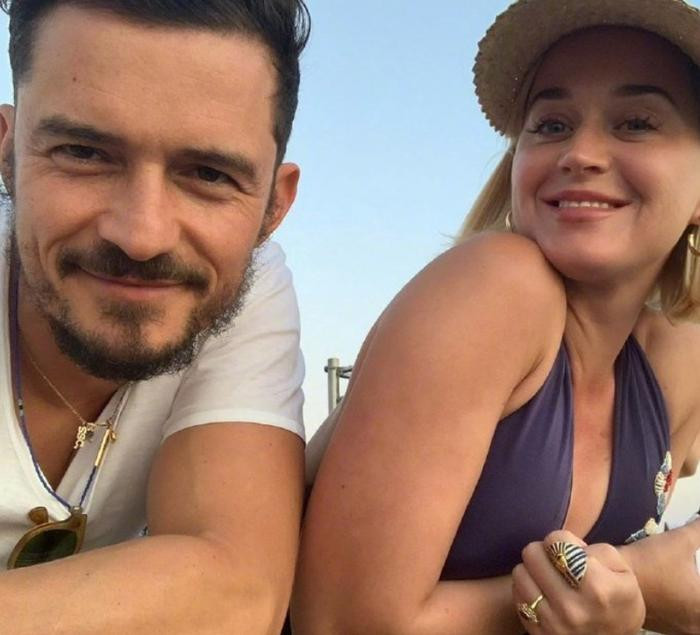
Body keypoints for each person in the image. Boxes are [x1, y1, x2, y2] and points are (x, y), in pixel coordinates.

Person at [293, 0, 700, 633]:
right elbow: (341, 623)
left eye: (637, 123)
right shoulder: (498, 286)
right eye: (551, 124)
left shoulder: (675, 362)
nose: (581, 152)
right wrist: (639, 580)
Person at [0, 0, 309, 633]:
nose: (142, 235)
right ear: (6, 154)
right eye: (84, 152)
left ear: (272, 208)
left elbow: (236, 589)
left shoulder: (243, 285)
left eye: (209, 175)